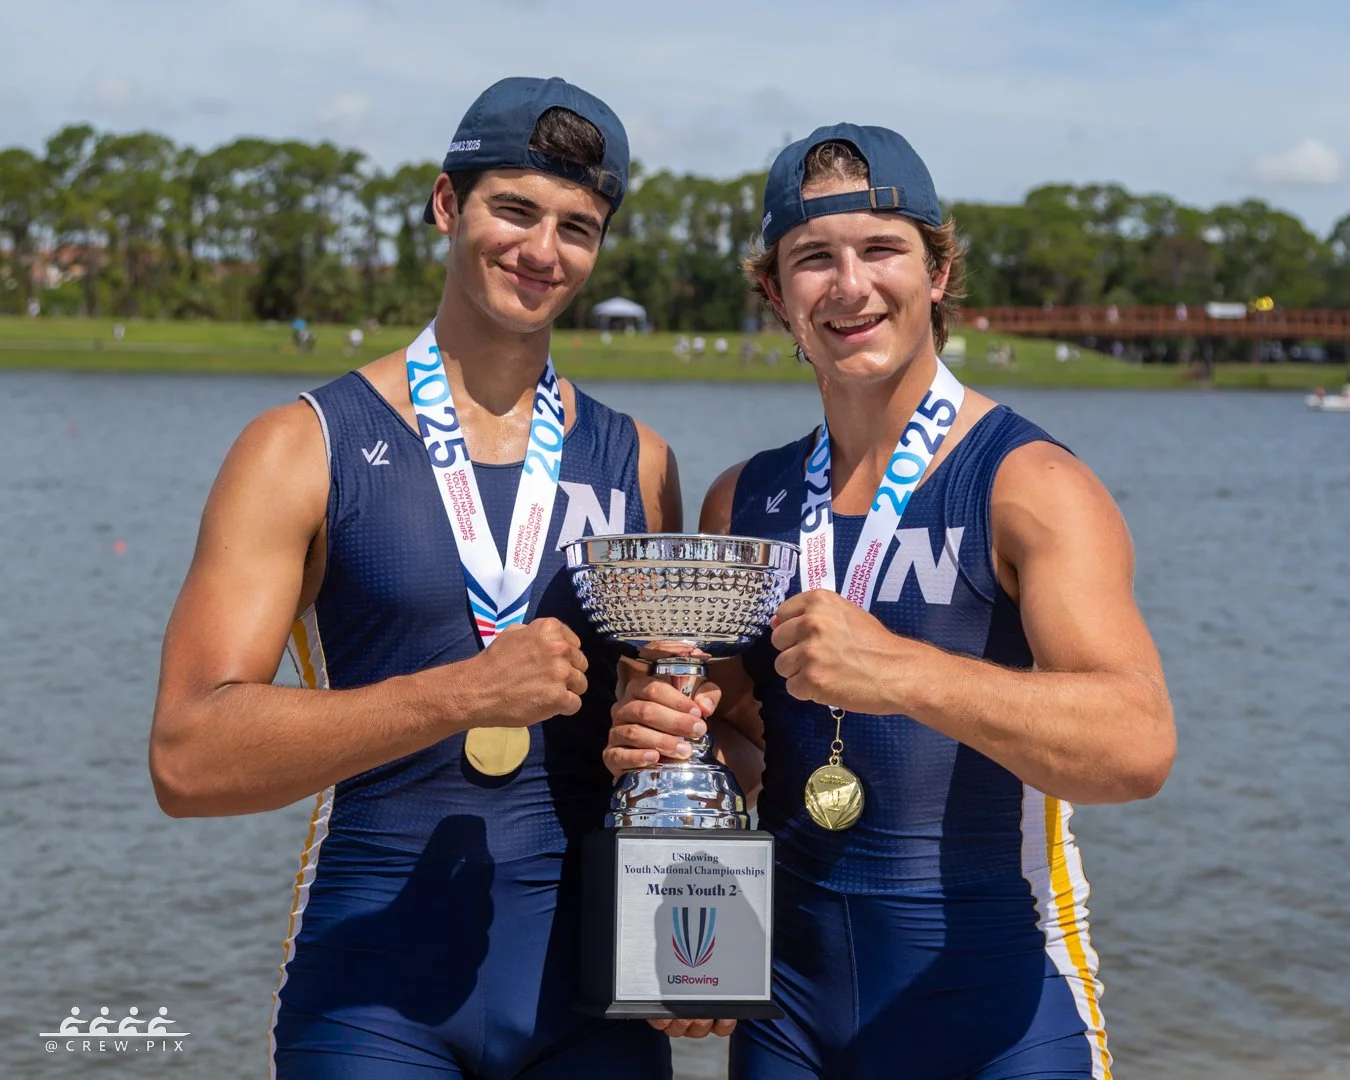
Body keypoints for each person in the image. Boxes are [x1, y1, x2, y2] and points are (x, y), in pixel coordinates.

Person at [607, 125, 1176, 1078]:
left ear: (938, 271)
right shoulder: (741, 500)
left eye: (882, 249)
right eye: (813, 260)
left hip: (999, 1008)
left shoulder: (1030, 482)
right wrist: (671, 744)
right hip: (788, 1013)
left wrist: (905, 673)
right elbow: (748, 739)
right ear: (775, 294)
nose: (850, 285)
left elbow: (1138, 745)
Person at [149, 77, 681, 1078]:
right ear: (447, 206)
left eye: (578, 226)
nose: (542, 249)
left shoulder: (640, 460)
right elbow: (187, 756)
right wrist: (464, 694)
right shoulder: (301, 447)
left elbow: (670, 732)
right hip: (372, 1000)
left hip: (597, 999)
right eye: (514, 209)